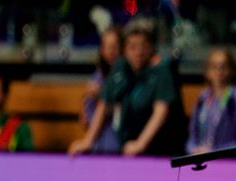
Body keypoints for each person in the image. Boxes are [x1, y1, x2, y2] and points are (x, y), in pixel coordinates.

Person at [68, 21, 179, 157]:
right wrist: (88, 141)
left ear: (152, 48)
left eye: (143, 46)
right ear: (124, 50)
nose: (138, 52)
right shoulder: (121, 66)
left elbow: (160, 112)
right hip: (127, 150)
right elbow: (105, 104)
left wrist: (140, 144)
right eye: (132, 47)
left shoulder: (162, 70)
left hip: (159, 153)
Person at [186, 47, 236, 152]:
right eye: (214, 66)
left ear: (232, 70)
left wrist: (214, 152)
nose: (219, 71)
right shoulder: (203, 97)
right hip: (201, 159)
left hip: (226, 161)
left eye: (223, 66)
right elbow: (192, 135)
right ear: (207, 71)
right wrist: (193, 149)